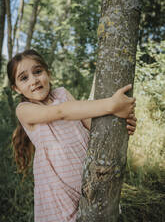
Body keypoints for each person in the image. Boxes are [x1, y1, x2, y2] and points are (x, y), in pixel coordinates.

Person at [7, 49, 136, 222]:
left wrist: (121, 124)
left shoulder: (62, 93)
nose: (34, 80)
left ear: (48, 74)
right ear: (16, 88)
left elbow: (91, 124)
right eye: (24, 78)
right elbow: (61, 112)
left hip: (91, 177)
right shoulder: (24, 110)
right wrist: (111, 104)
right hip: (58, 190)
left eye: (38, 72)